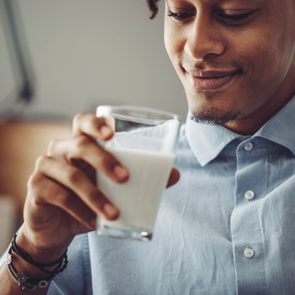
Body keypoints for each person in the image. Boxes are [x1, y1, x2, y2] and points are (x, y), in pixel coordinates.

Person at [1, 0, 295, 293]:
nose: (195, 47)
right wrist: (35, 249)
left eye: (234, 15)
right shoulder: (101, 178)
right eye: (180, 13)